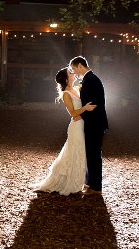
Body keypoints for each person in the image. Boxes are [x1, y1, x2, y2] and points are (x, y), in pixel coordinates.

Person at [32, 67, 96, 195]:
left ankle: (82, 181)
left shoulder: (76, 89)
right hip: (76, 126)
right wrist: (85, 108)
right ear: (66, 79)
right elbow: (73, 113)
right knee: (76, 152)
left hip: (83, 124)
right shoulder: (66, 94)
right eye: (70, 73)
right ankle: (72, 183)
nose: (73, 74)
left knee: (81, 153)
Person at [70, 55, 109, 195]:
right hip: (94, 122)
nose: (73, 72)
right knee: (91, 153)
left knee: (94, 154)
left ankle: (96, 187)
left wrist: (80, 114)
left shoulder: (91, 80)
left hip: (95, 123)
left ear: (80, 65)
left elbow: (92, 105)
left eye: (74, 69)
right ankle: (90, 182)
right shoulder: (90, 79)